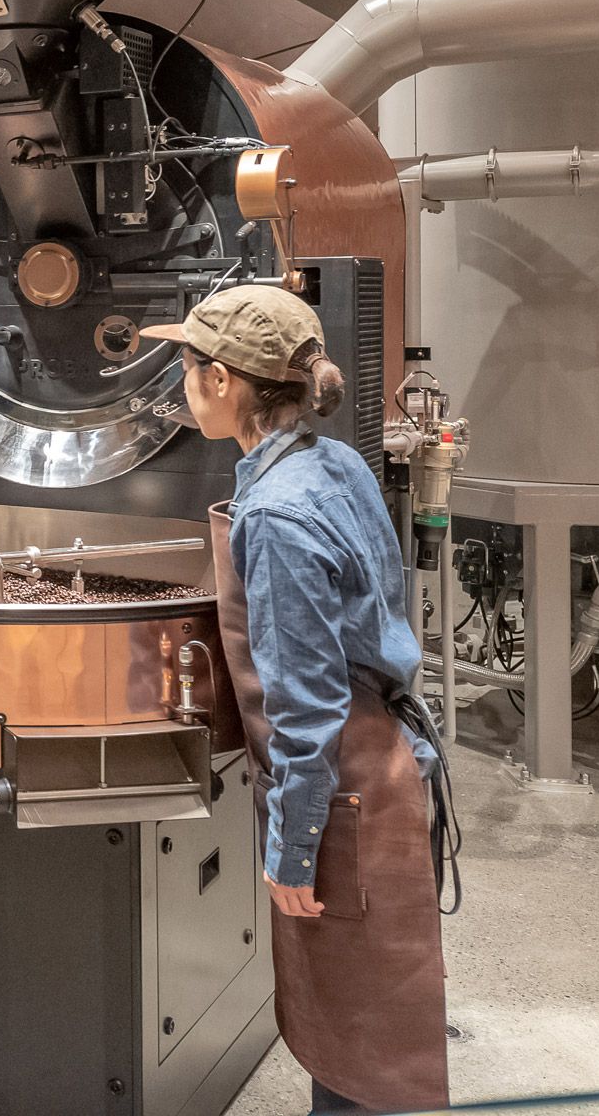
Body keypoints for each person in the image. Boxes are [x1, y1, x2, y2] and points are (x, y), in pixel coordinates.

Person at [143, 285, 451, 1115]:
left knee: (358, 1062)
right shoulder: (335, 461)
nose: (182, 382)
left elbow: (306, 707)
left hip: (345, 788)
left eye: (187, 366)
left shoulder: (275, 517)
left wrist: (294, 844)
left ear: (225, 383)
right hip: (391, 757)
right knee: (370, 1032)